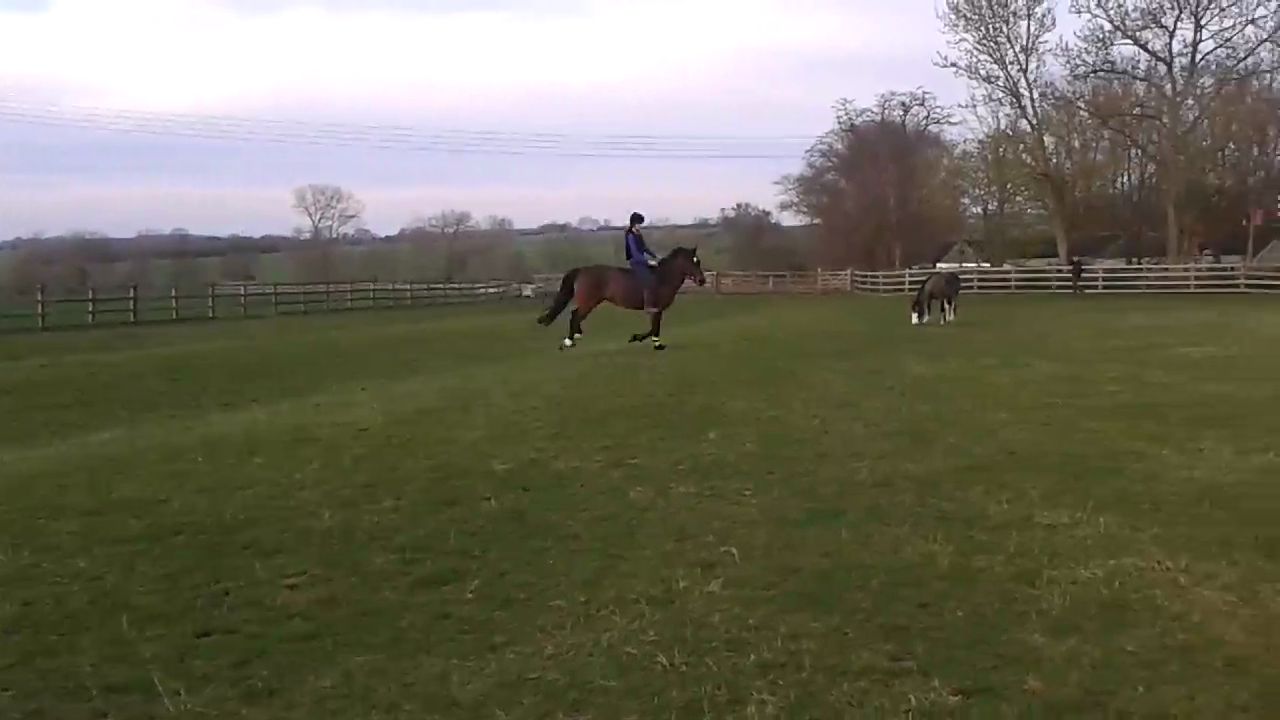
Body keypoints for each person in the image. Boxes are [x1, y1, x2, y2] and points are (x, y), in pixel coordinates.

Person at [624, 211, 660, 312]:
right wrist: (648, 262)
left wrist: (655, 256)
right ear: (634, 224)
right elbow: (635, 253)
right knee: (648, 279)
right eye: (639, 224)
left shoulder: (638, 234)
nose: (640, 226)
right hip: (635, 261)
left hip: (641, 260)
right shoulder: (630, 235)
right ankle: (647, 305)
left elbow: (644, 248)